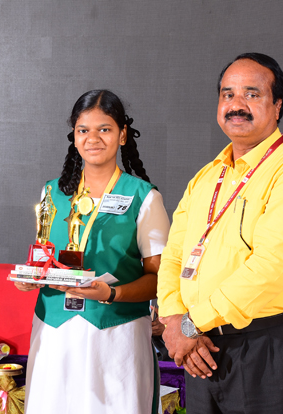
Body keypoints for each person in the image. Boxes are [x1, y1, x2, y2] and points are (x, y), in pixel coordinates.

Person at [157, 53, 283, 413]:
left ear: (277, 105)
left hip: (268, 346)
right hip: (201, 347)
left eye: (252, 94)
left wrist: (189, 326)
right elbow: (174, 254)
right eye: (228, 94)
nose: (236, 105)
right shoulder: (207, 176)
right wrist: (174, 320)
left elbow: (272, 267)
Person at [15, 90, 170, 414]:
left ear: (122, 135)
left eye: (105, 129)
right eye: (83, 130)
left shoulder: (143, 197)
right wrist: (32, 277)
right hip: (54, 333)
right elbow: (45, 257)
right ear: (74, 136)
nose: (93, 138)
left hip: (117, 335)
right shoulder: (52, 192)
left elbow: (160, 279)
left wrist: (111, 293)